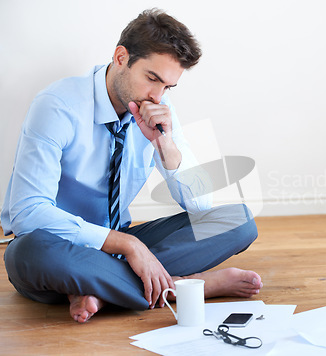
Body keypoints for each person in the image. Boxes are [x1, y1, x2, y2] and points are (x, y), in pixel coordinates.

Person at [2, 8, 262, 323]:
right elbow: (28, 213)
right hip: (62, 247)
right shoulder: (58, 106)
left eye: (168, 87)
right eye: (152, 78)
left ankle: (100, 289)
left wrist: (165, 146)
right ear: (121, 57)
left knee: (240, 221)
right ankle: (183, 287)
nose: (157, 95)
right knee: (28, 252)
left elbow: (202, 205)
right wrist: (128, 244)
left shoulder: (159, 110)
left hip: (116, 248)